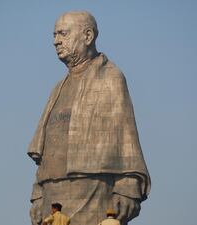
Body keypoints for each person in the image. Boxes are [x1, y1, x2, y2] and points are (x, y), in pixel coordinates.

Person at [28, 11, 151, 225]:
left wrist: (128, 186)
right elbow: (46, 149)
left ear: (87, 36)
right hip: (51, 193)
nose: (56, 41)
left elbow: (126, 137)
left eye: (63, 34)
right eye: (54, 35)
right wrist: (38, 194)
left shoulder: (110, 77)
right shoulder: (58, 88)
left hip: (94, 190)